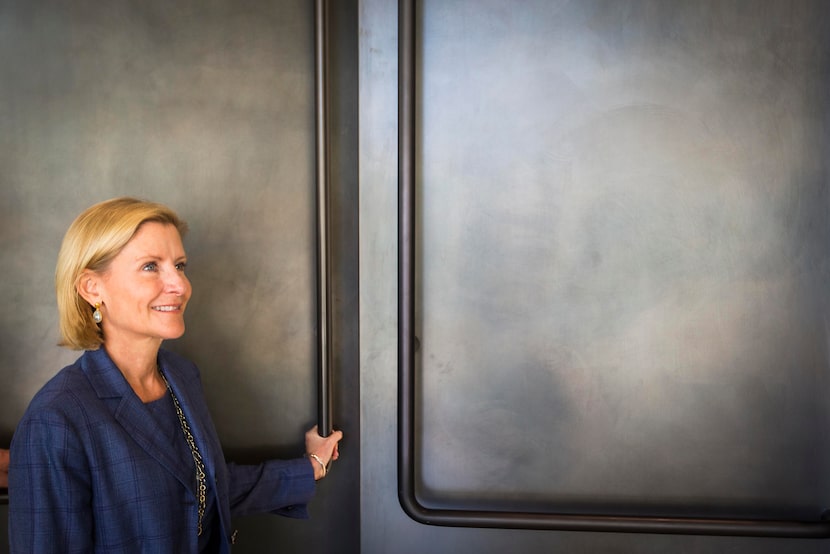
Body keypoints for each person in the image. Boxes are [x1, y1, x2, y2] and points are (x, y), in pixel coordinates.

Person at [8, 197, 343, 553]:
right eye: (151, 266)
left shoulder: (181, 377)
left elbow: (202, 486)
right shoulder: (56, 420)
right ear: (93, 288)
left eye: (179, 265)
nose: (180, 286)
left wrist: (311, 468)